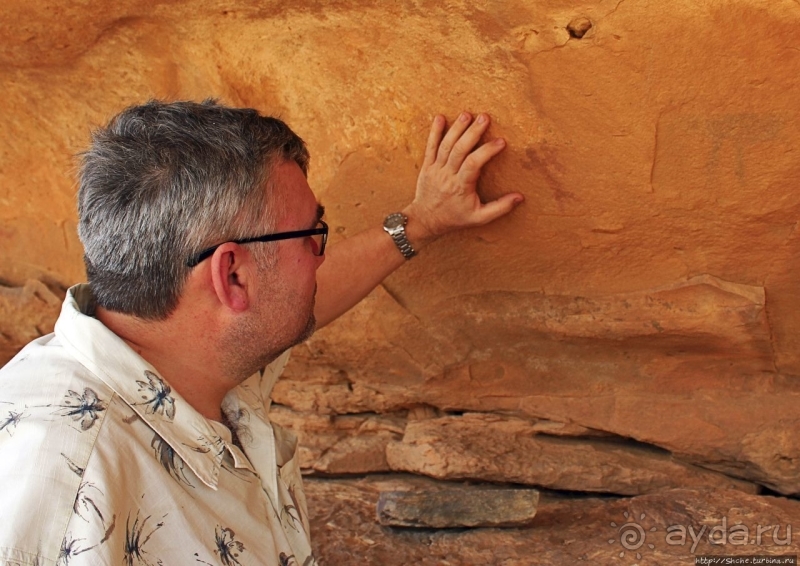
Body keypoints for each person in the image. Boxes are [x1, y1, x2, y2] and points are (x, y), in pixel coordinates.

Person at [0, 100, 523, 565]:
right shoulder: (60, 485)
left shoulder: (189, 351)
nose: (319, 255)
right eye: (311, 236)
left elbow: (298, 296)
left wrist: (422, 222)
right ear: (232, 276)